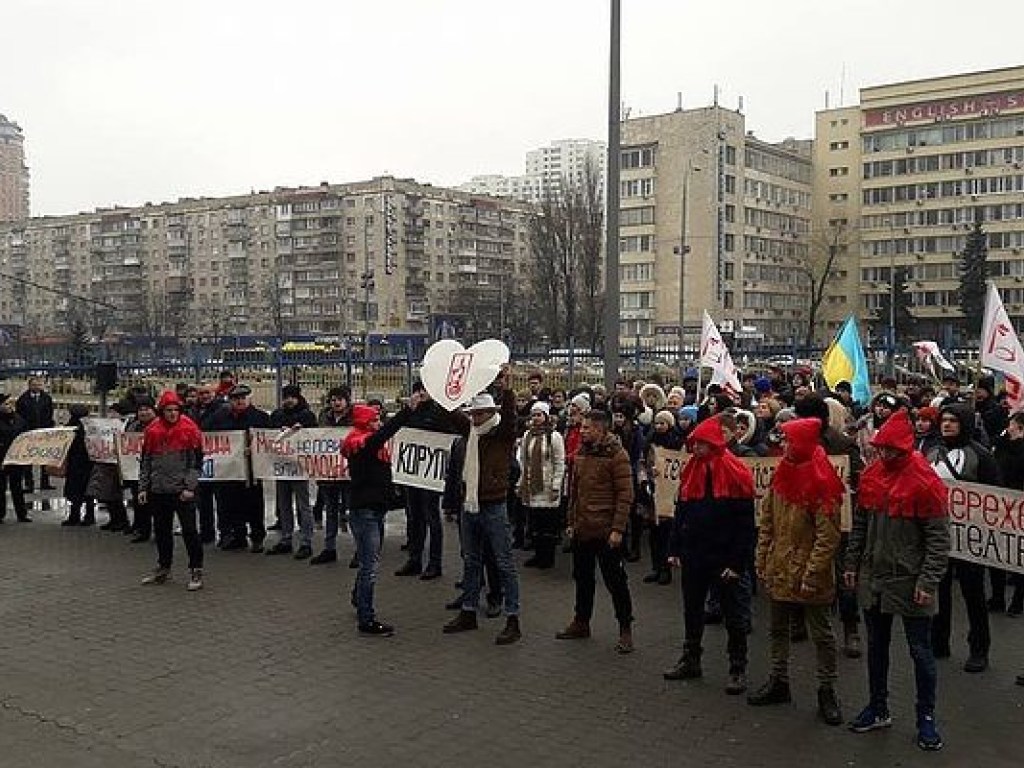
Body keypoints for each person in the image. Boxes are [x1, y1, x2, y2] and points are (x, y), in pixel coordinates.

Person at [843, 409, 950, 752]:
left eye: (891, 451)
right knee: (877, 647)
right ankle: (878, 707)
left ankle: (926, 718)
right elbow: (860, 525)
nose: (884, 455)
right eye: (881, 450)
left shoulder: (924, 482)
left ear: (903, 450)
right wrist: (852, 563)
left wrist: (928, 582)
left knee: (920, 652)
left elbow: (938, 539)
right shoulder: (873, 475)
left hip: (910, 580)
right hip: (876, 578)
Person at [748, 418, 844, 725]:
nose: (783, 445)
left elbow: (827, 537)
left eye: (789, 440)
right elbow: (768, 522)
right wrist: (762, 558)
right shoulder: (782, 474)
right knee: (778, 629)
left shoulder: (821, 480)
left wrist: (812, 573)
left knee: (821, 634)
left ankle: (826, 690)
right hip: (780, 567)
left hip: (808, 574)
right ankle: (779, 681)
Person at [663, 416, 756, 695]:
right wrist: (675, 549)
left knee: (733, 616)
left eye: (701, 444)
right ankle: (691, 658)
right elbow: (681, 512)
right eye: (694, 444)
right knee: (692, 610)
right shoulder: (692, 470)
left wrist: (737, 563)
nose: (696, 449)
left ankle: (737, 667)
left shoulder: (735, 472)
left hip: (724, 557)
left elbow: (744, 525)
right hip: (695, 554)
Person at [443, 373, 523, 646]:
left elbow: (512, 419)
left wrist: (509, 391)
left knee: (503, 562)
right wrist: (441, 395)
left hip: (494, 504)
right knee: (471, 560)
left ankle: (513, 618)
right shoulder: (471, 432)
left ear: (490, 413)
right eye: (473, 413)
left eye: (480, 413)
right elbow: (452, 415)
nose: (475, 418)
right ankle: (468, 610)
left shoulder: (501, 434)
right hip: (471, 504)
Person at [926, 402, 1000, 672]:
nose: (947, 424)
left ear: (966, 424)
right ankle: (939, 642)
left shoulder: (981, 455)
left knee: (973, 594)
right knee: (939, 591)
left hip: (971, 540)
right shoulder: (931, 451)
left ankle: (979, 649)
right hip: (938, 536)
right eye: (944, 419)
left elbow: (996, 497)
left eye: (954, 421)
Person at [556, 409, 635, 653]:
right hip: (582, 528)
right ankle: (581, 622)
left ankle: (625, 629)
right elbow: (575, 491)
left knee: (616, 582)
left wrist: (618, 529)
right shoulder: (581, 453)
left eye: (587, 428)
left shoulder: (617, 455)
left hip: (606, 531)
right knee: (582, 578)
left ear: (601, 429)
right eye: (582, 427)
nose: (582, 431)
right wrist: (571, 521)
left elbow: (625, 495)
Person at [343, 402, 408, 636]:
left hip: (374, 510)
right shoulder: (361, 444)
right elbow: (385, 433)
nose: (378, 424)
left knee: (368, 562)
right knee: (370, 567)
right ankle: (366, 619)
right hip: (365, 512)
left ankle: (358, 597)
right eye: (373, 420)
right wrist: (407, 411)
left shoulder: (365, 443)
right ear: (364, 423)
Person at [139, 391, 205, 591]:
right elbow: (146, 462)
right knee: (161, 531)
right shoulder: (152, 431)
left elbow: (196, 463)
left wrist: (189, 488)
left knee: (190, 531)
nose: (172, 414)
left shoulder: (189, 429)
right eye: (168, 410)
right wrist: (143, 487)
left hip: (182, 491)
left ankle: (196, 569)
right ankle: (163, 567)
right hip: (159, 490)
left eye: (175, 410)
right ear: (162, 411)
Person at [394, 381, 461, 579]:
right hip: (412, 473)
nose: (421, 394)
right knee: (414, 517)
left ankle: (435, 562)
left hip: (430, 474)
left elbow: (448, 436)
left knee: (432, 517)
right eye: (418, 390)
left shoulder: (439, 412)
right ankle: (414, 559)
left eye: (425, 390)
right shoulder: (411, 412)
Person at [206, 385, 271, 552]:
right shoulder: (220, 418)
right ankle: (238, 535)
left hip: (252, 470)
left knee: (254, 505)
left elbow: (269, 440)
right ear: (230, 400)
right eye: (236, 398)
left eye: (243, 398)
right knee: (231, 503)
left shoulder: (260, 417)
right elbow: (207, 435)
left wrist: (255, 448)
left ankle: (257, 537)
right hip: (229, 470)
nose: (240, 401)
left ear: (249, 398)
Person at [266, 384, 318, 559]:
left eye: (291, 397)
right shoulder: (277, 415)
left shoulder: (307, 416)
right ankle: (286, 539)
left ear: (297, 397)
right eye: (285, 397)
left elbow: (315, 437)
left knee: (303, 505)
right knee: (284, 504)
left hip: (299, 467)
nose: (288, 400)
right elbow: (268, 434)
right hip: (282, 467)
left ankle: (306, 542)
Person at [517, 401, 566, 569]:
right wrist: (521, 482)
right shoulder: (527, 436)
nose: (536, 418)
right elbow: (524, 461)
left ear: (546, 416)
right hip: (531, 485)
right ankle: (538, 555)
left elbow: (560, 463)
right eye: (534, 415)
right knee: (535, 523)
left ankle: (548, 557)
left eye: (539, 415)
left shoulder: (554, 436)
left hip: (547, 485)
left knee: (548, 524)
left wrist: (556, 486)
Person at [310, 386, 353, 565]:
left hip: (348, 474)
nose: (336, 403)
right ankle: (329, 548)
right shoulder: (324, 417)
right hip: (328, 474)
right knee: (331, 512)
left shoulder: (354, 418)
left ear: (347, 401)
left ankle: (359, 550)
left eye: (340, 399)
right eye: (333, 399)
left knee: (352, 512)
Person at [642, 409, 683, 586]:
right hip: (652, 489)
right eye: (657, 423)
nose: (659, 426)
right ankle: (655, 567)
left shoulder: (676, 442)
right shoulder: (649, 440)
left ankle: (665, 569)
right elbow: (643, 462)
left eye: (663, 423)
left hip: (668, 493)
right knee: (654, 533)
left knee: (666, 533)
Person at [990, 411, 1024, 617]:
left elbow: (1012, 469)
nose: (1008, 428)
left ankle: (1017, 601)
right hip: (1001, 506)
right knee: (996, 554)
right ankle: (997, 596)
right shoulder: (1003, 444)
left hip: (1018, 507)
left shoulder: (1016, 449)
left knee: (1018, 557)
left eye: (1011, 425)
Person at [123, 396, 158, 543]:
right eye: (140, 410)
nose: (143, 413)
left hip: (156, 471)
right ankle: (141, 529)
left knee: (156, 504)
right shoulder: (133, 426)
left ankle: (159, 531)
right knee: (139, 501)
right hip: (135, 470)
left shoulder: (159, 426)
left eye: (146, 409)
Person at [15, 376, 55, 492]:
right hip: (29, 433)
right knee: (28, 460)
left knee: (44, 458)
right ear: (29, 386)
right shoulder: (23, 399)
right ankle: (29, 484)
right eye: (34, 385)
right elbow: (20, 416)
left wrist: (47, 428)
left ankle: (45, 482)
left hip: (44, 432)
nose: (37, 387)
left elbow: (49, 414)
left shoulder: (47, 398)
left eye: (39, 385)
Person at [61, 404, 96, 526]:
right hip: (89, 463)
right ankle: (89, 516)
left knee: (74, 492)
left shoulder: (70, 428)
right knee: (88, 491)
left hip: (75, 465)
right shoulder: (91, 427)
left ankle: (74, 516)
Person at [0, 394, 29, 522]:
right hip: (1, 458)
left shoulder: (19, 419)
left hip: (16, 459)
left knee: (17, 487)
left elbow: (25, 436)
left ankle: (21, 514)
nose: (10, 406)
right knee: (1, 487)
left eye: (11, 403)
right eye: (6, 404)